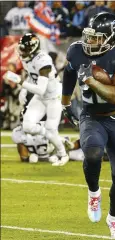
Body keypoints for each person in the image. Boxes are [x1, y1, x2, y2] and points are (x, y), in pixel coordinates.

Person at [62, 12, 115, 239]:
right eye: (90, 36)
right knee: (93, 153)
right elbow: (68, 72)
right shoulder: (76, 50)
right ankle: (94, 193)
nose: (90, 42)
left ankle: (113, 219)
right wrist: (65, 103)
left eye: (97, 38)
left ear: (112, 38)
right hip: (91, 116)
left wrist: (90, 81)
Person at [17, 33, 69, 166]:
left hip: (54, 96)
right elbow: (32, 75)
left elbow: (41, 89)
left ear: (33, 48)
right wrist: (23, 90)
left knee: (52, 129)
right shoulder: (27, 58)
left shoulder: (43, 60)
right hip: (41, 96)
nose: (22, 51)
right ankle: (53, 137)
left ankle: (63, 154)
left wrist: (21, 84)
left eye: (24, 48)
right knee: (27, 126)